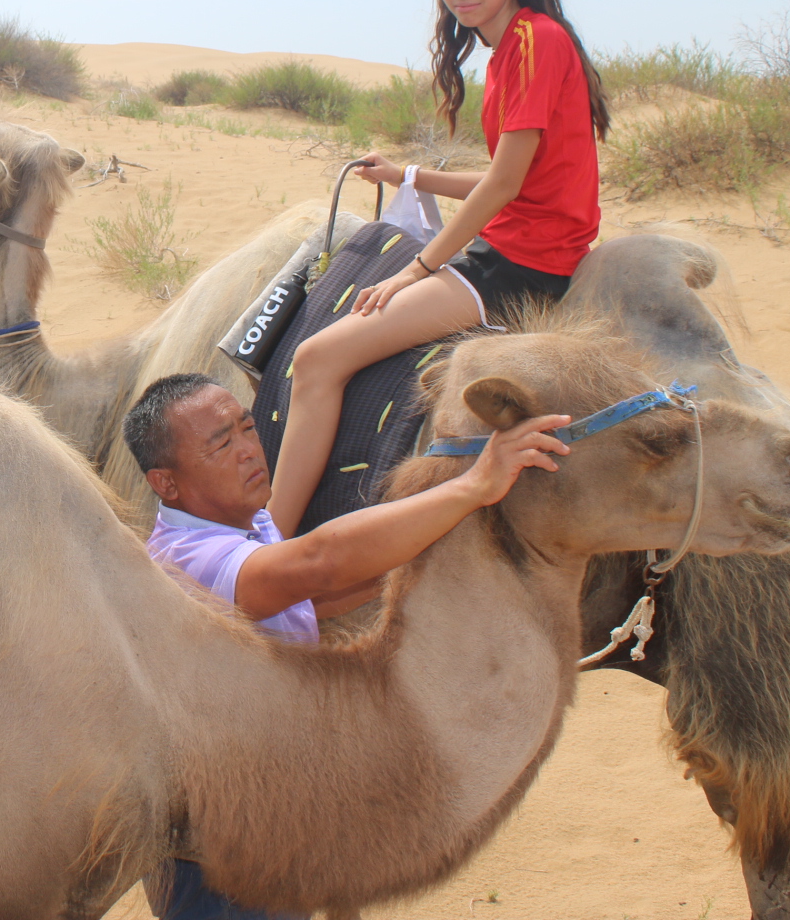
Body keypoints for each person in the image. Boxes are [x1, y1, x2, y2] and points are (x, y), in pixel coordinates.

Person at [123, 372, 569, 920]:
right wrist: (472, 486)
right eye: (221, 444)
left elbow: (321, 592)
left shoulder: (246, 520)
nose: (248, 451)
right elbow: (318, 565)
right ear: (166, 484)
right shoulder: (184, 559)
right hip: (218, 851)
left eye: (246, 428)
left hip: (274, 808)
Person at [267, 0, 610, 537]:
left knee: (317, 360)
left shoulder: (535, 40)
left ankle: (271, 545)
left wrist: (419, 269)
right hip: (513, 247)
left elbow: (505, 185)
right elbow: (514, 179)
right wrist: (409, 177)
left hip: (519, 264)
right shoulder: (512, 48)